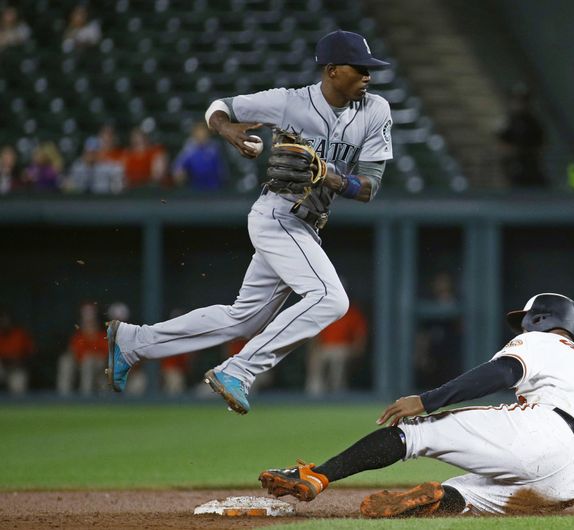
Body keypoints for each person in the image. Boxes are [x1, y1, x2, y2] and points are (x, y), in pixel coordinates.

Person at [106, 30, 394, 415]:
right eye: (360, 69)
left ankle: (133, 342)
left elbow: (369, 188)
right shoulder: (289, 103)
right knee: (331, 298)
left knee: (243, 320)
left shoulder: (375, 111)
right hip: (276, 214)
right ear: (331, 70)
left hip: (307, 226)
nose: (368, 76)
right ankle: (238, 370)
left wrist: (325, 172)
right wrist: (227, 131)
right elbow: (217, 107)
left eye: (369, 69)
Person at [260, 293, 574, 517]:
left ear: (539, 319)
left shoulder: (539, 342)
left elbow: (499, 375)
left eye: (525, 319)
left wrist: (426, 400)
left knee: (415, 433)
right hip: (572, 483)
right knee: (460, 494)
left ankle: (316, 476)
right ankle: (442, 499)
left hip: (543, 435)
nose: (521, 326)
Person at [305, 296, 367, 396]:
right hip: (325, 348)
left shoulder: (353, 313)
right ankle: (314, 395)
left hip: (344, 348)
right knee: (315, 357)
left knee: (338, 357)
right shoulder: (325, 312)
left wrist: (357, 351)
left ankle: (337, 394)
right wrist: (313, 350)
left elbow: (360, 338)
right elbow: (315, 336)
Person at [498, 83, 547, 188]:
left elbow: (541, 144)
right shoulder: (510, 122)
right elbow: (502, 142)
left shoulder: (533, 122)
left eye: (523, 100)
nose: (519, 104)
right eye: (516, 100)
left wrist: (526, 151)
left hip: (531, 167)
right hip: (514, 167)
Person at [172, 122, 227, 190]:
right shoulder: (189, 148)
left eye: (203, 134)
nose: (201, 137)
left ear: (208, 135)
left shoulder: (215, 147)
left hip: (214, 187)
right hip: (194, 188)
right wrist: (180, 173)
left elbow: (222, 170)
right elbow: (178, 166)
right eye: (199, 134)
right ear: (194, 135)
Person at [0, 308, 35, 395]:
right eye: (1, 319)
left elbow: (32, 354)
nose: (4, 322)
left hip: (17, 369)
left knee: (18, 386)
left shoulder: (20, 334)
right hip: (2, 367)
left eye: (5, 319)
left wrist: (21, 363)